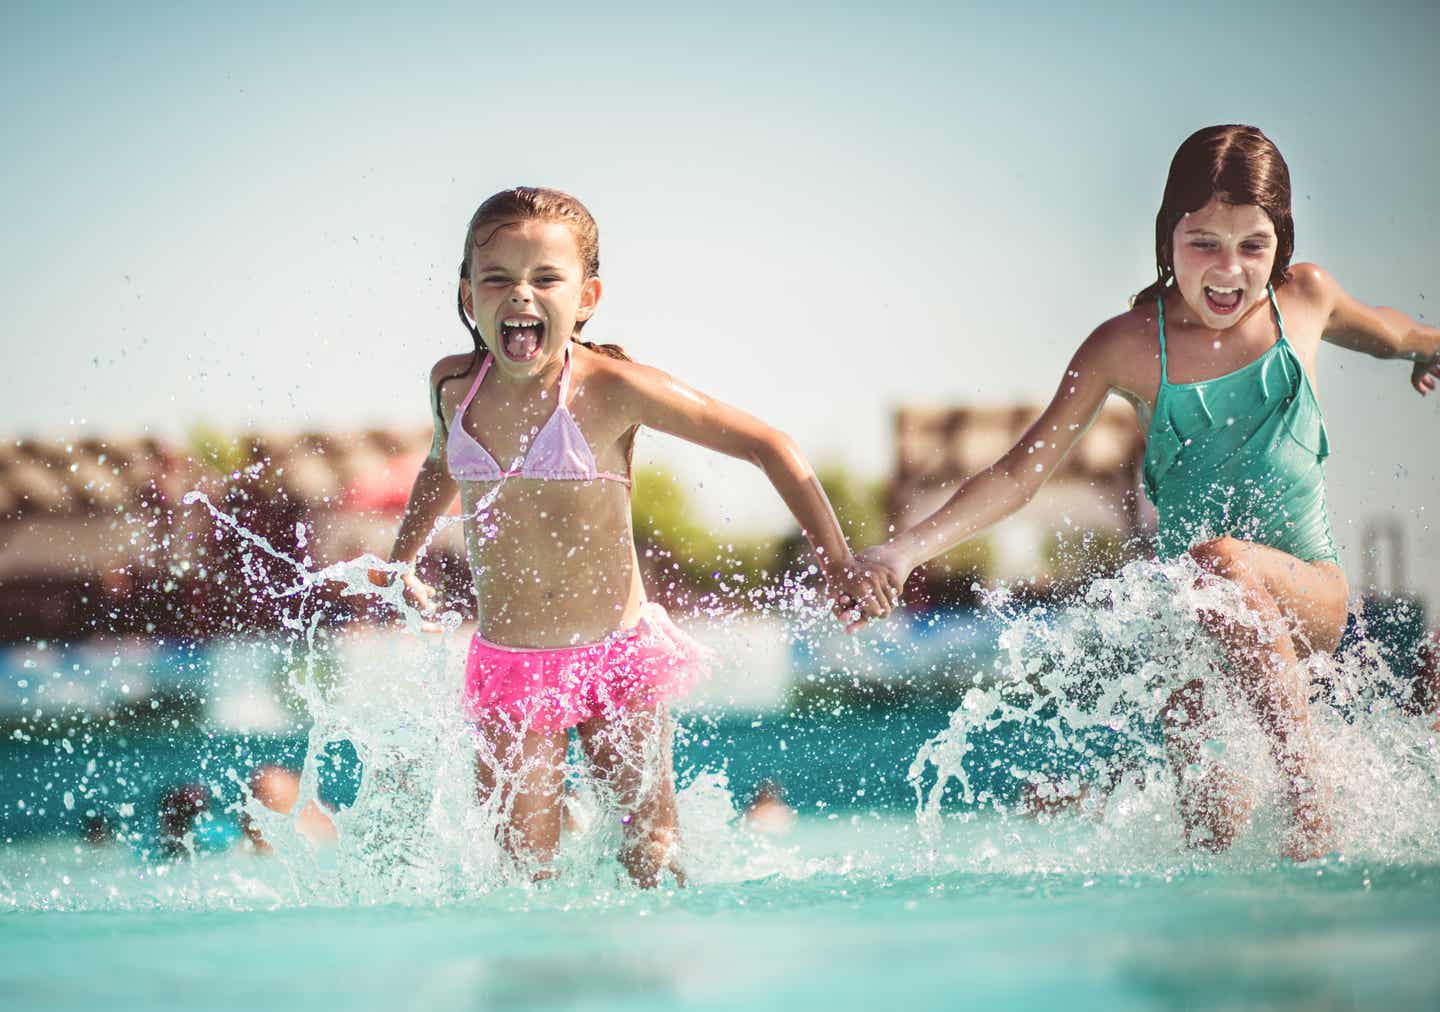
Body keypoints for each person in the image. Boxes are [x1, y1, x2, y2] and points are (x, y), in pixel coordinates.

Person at [858, 125, 1440, 861]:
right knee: (1211, 846)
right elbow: (1018, 474)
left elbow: (1391, 333)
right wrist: (905, 550)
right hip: (1189, 630)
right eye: (1204, 243)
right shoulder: (1128, 345)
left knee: (1220, 561)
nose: (1228, 270)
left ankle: (1310, 797)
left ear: (1281, 246)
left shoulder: (1305, 301)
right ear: (1168, 237)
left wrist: (1429, 347)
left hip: (1307, 596)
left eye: (1252, 246)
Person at [372, 187, 893, 887]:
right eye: (497, 278)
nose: (520, 294)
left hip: (616, 660)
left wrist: (837, 561)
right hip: (512, 666)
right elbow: (441, 462)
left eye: (545, 278)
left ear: (586, 297)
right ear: (469, 296)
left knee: (653, 860)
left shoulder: (612, 388)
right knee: (521, 878)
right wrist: (400, 558)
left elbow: (769, 443)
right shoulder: (452, 386)